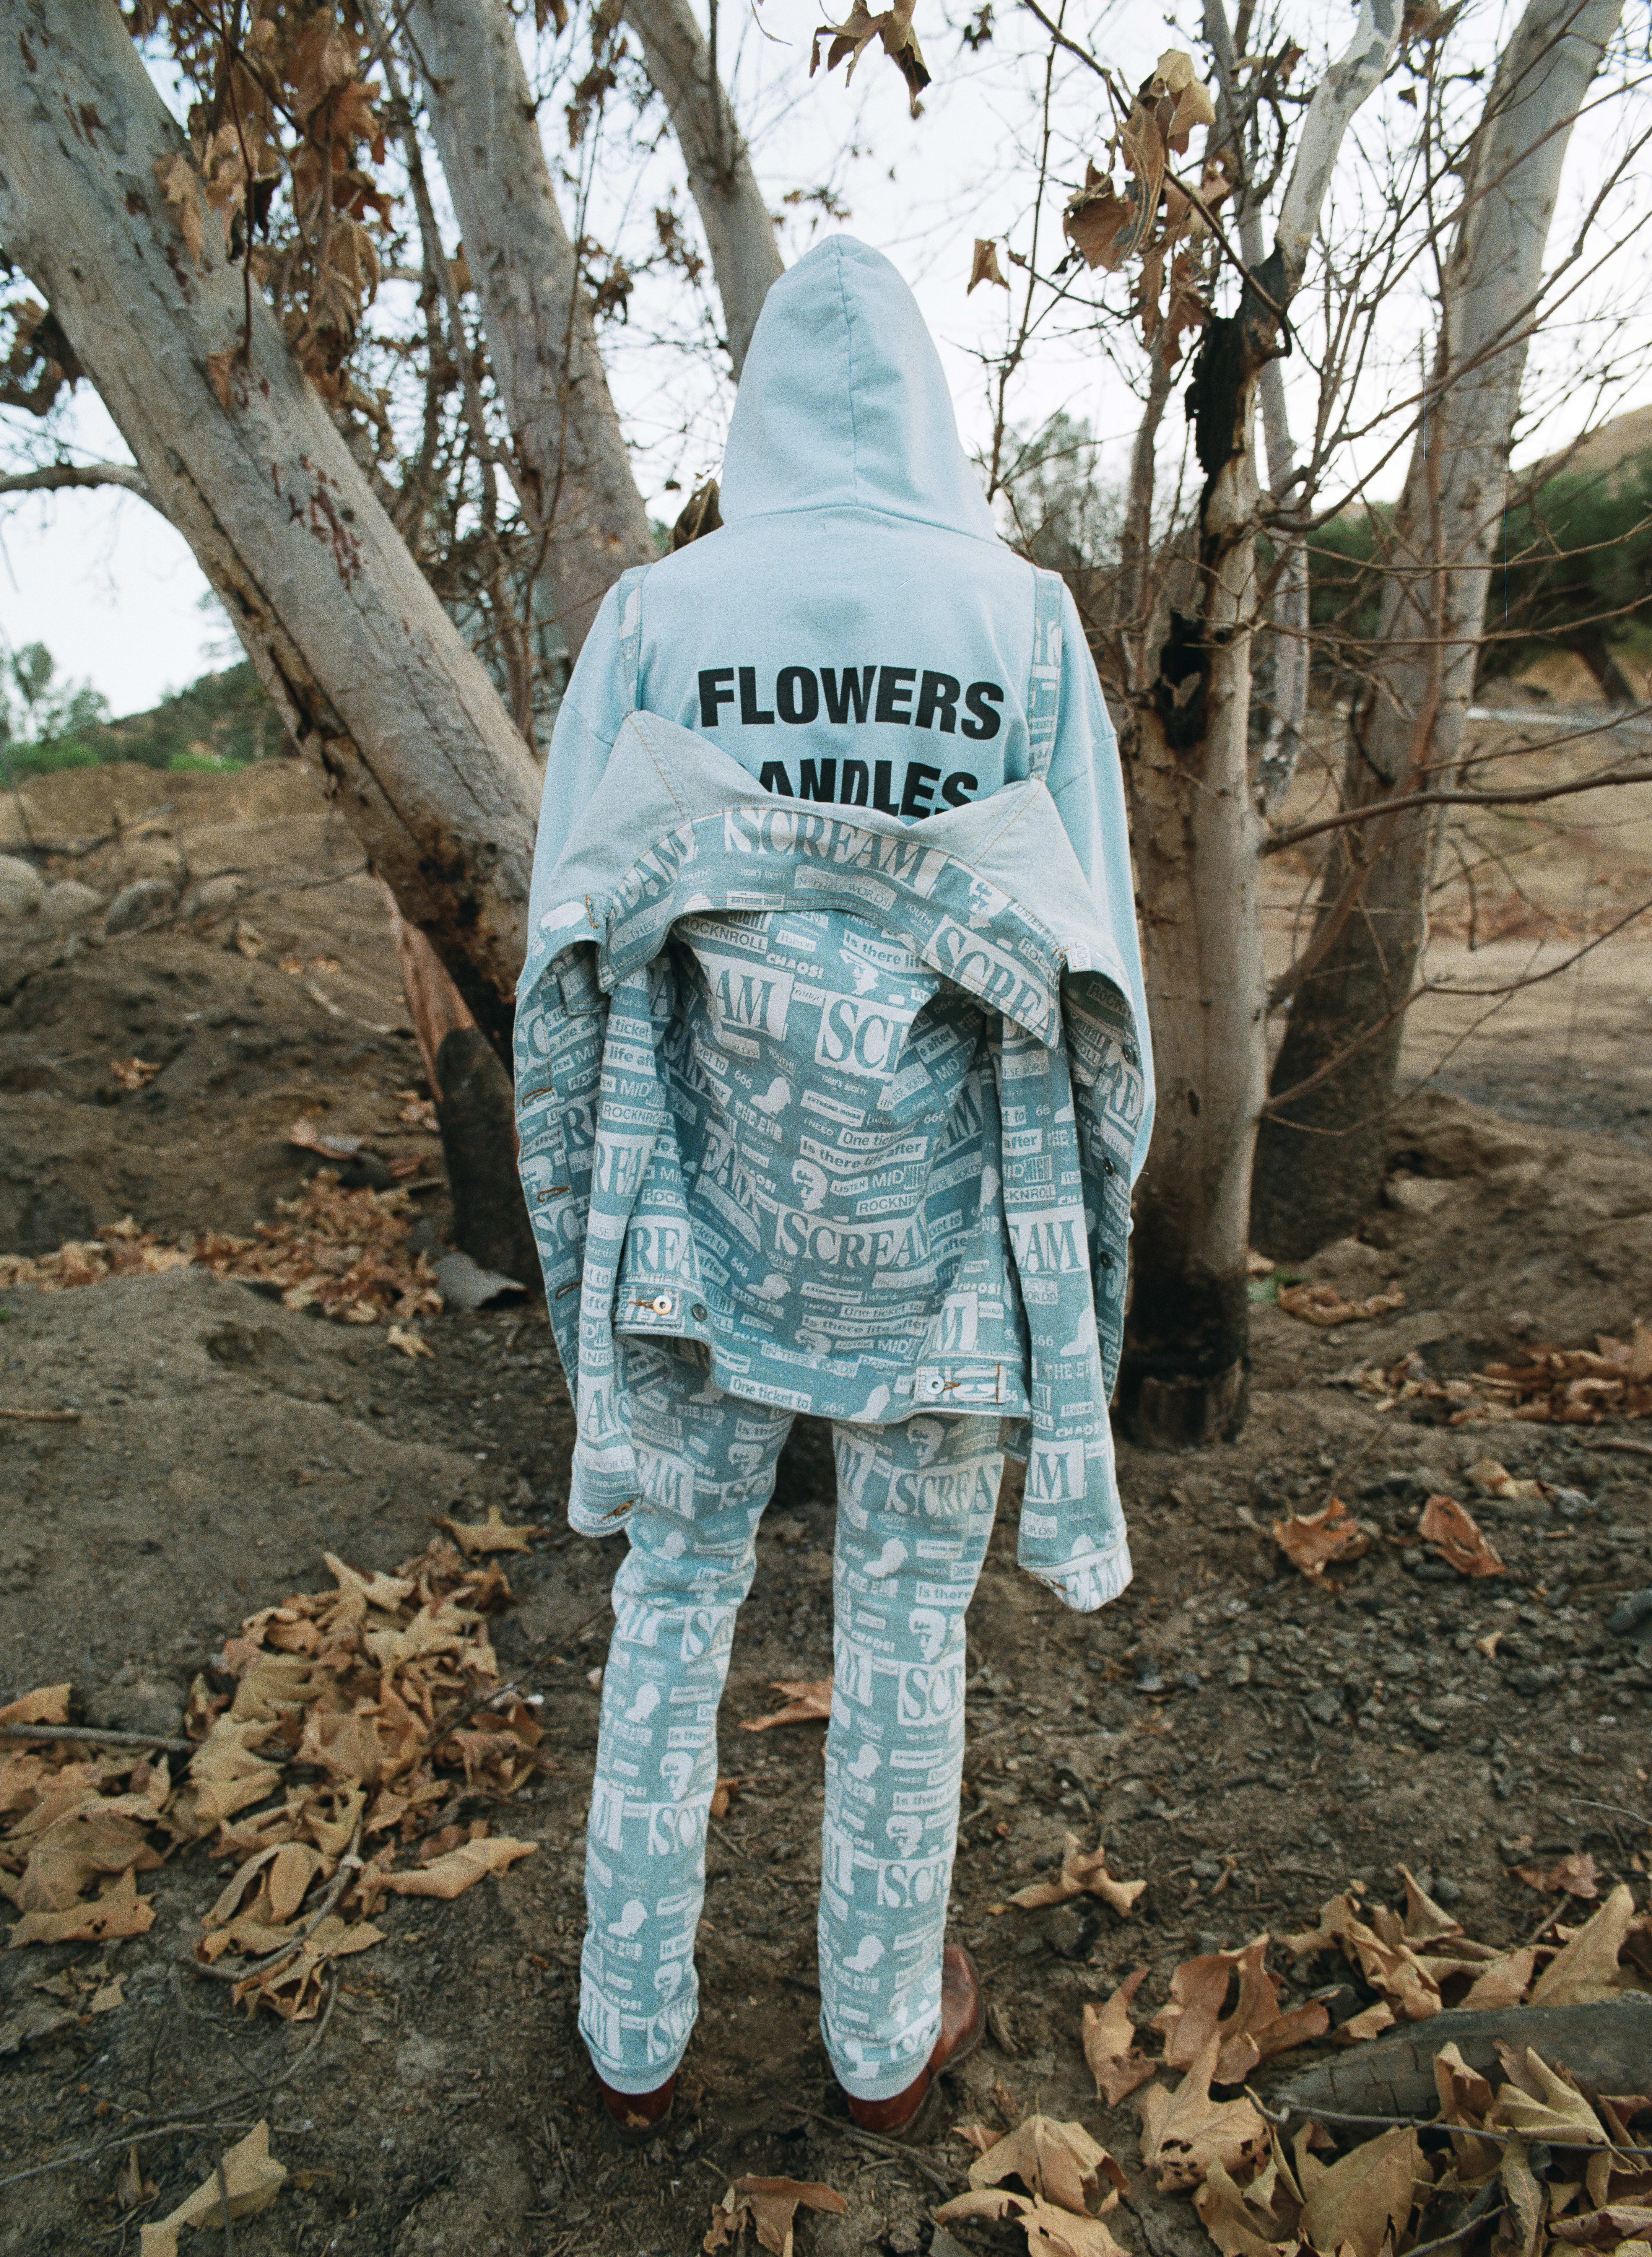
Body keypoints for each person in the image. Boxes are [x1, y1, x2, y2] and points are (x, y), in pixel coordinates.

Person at [515, 235, 1154, 2141]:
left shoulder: (653, 615)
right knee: (905, 1616)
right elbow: (1092, 963)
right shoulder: (1027, 622)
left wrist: (575, 1250)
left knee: (676, 1588)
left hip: (698, 1219)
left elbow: (571, 945)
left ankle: (629, 2041)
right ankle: (880, 2048)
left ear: (758, 403)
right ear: (938, 407)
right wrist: (1095, 1260)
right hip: (952, 1231)